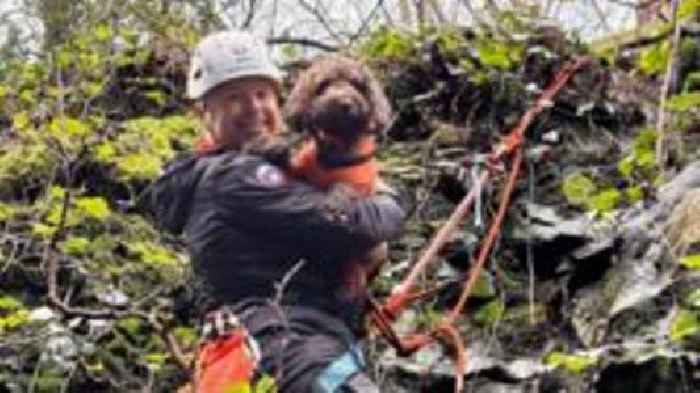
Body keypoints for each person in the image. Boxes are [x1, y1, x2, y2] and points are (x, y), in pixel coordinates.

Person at [145, 30, 405, 393]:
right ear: (204, 111)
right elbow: (344, 225)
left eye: (262, 94)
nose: (254, 107)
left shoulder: (276, 169)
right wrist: (389, 202)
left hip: (283, 345)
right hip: (287, 344)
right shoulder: (234, 175)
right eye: (234, 97)